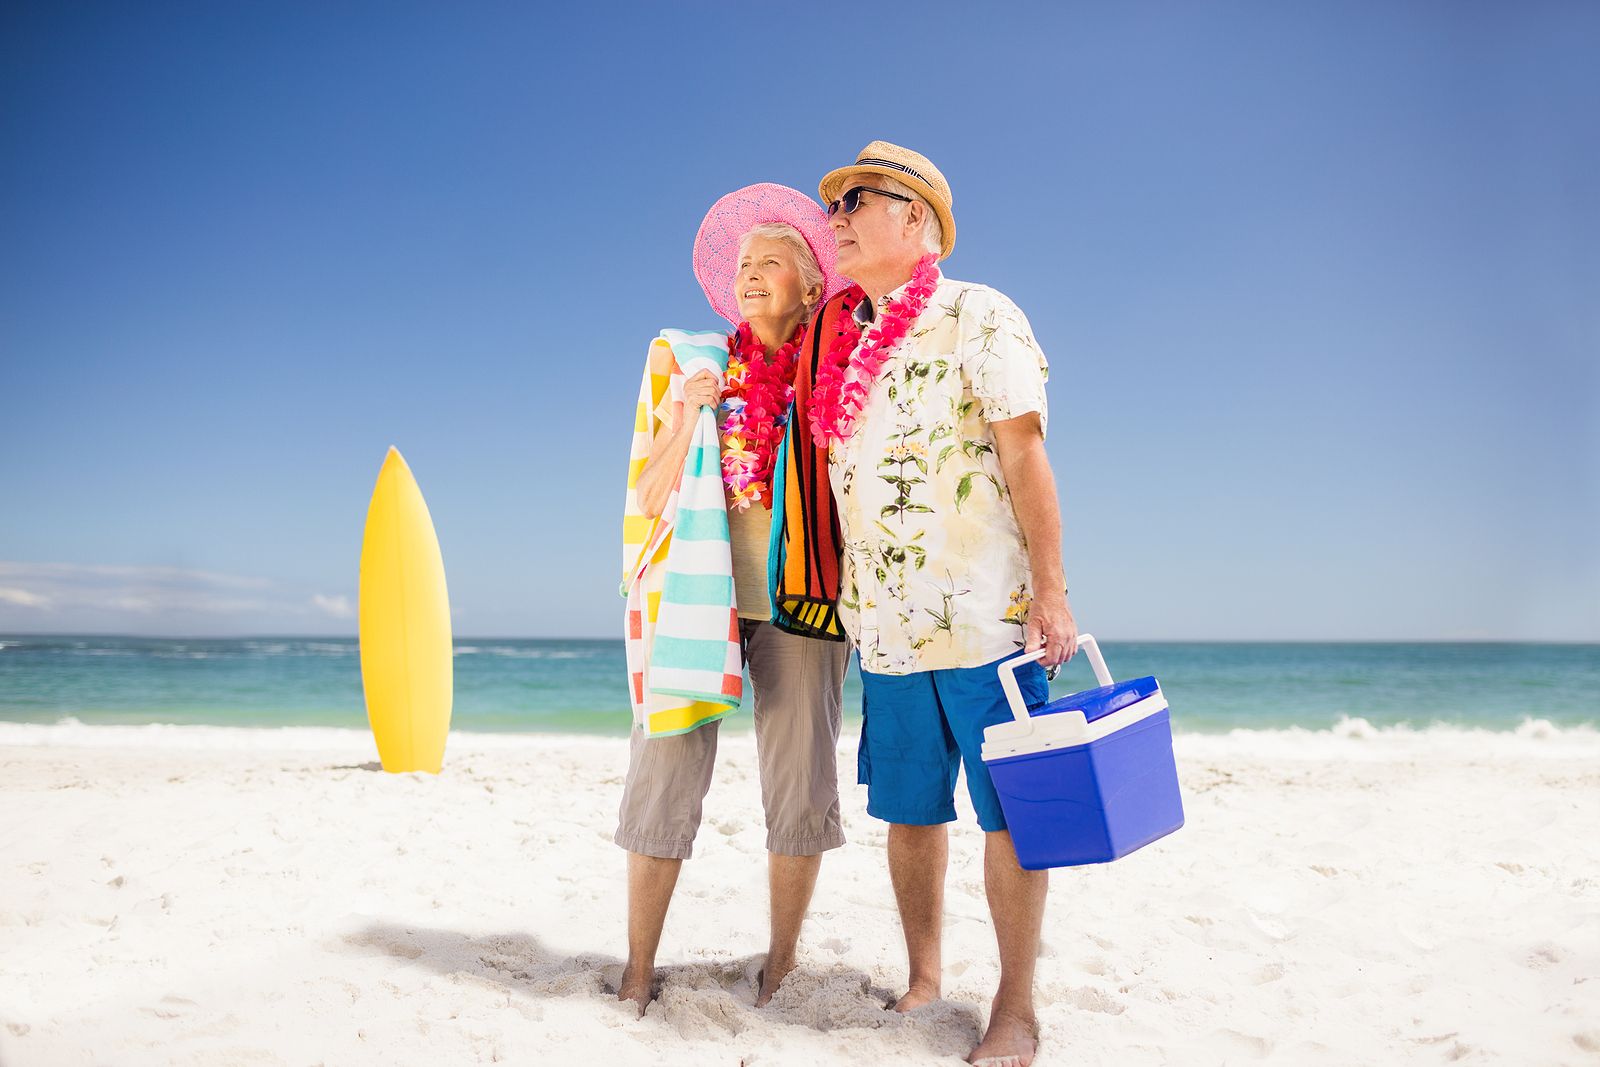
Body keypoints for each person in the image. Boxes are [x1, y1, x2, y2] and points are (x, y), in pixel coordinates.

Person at [807, 142, 1079, 1067]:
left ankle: (1015, 1003)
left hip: (985, 620)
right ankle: (925, 977)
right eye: (831, 202)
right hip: (883, 630)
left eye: (856, 199)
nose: (835, 215)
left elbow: (1024, 455)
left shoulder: (981, 313)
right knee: (910, 810)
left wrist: (1053, 589)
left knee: (1014, 812)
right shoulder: (850, 349)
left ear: (914, 217)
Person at [615, 184, 849, 1013]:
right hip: (698, 603)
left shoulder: (839, 370)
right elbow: (647, 496)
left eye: (770, 263)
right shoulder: (694, 367)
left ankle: (782, 963)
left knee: (800, 783)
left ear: (810, 283)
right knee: (664, 773)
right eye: (744, 265)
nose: (751, 276)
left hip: (804, 603)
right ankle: (639, 966)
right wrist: (691, 417)